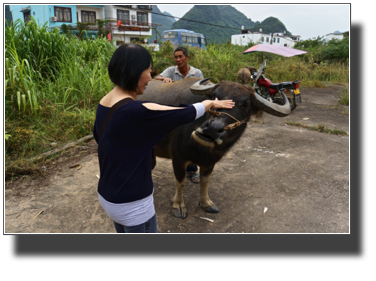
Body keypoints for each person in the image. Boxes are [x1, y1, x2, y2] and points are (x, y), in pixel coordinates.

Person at [93, 43, 234, 233]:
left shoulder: (104, 103)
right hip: (133, 203)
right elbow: (181, 114)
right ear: (134, 72)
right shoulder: (135, 111)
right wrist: (208, 104)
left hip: (108, 195)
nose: (151, 78)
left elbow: (99, 138)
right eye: (149, 71)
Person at [154, 46, 203, 184]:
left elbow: (203, 89)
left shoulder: (197, 72)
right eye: (176, 57)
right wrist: (163, 79)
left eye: (181, 57)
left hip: (192, 111)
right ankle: (183, 167)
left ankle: (193, 170)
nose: (178, 59)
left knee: (192, 140)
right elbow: (156, 78)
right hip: (175, 109)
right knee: (179, 140)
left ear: (187, 58)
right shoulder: (171, 71)